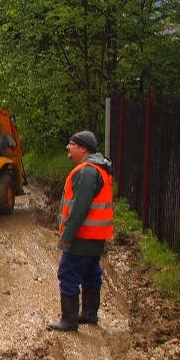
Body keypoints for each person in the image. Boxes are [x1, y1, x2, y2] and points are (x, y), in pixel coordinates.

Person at [49, 130, 114, 331]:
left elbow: (79, 208)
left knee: (67, 273)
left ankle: (69, 320)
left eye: (72, 144)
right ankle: (89, 313)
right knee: (90, 272)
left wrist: (66, 236)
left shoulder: (86, 171)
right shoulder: (100, 168)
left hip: (82, 236)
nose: (68, 147)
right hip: (96, 236)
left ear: (83, 148)